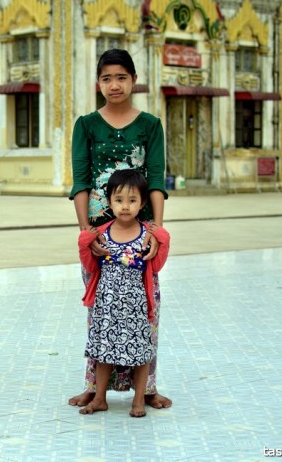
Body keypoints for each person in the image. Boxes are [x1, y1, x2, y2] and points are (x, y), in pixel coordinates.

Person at [68, 48, 172, 411]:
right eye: (107, 78)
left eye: (121, 77)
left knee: (147, 310)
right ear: (98, 84)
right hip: (99, 236)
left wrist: (155, 233)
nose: (114, 84)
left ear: (133, 81)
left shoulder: (150, 125)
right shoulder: (85, 125)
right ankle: (93, 387)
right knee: (99, 312)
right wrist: (87, 233)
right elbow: (80, 181)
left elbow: (156, 177)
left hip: (140, 234)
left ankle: (148, 388)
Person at [77, 169, 170, 418]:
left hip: (138, 308)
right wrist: (85, 241)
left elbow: (158, 265)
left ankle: (138, 400)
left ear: (142, 204)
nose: (125, 207)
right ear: (109, 202)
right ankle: (100, 398)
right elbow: (89, 265)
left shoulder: (146, 236)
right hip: (107, 307)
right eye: (119, 200)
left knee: (141, 355)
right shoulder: (102, 234)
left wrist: (160, 234)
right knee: (104, 353)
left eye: (132, 200)